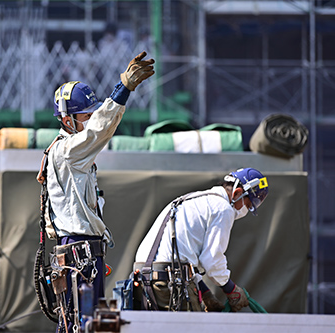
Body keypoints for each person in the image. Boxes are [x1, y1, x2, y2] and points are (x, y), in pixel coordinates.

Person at [37, 51, 154, 332]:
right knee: (80, 324)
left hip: (84, 252)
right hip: (80, 252)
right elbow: (100, 130)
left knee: (79, 323)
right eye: (85, 115)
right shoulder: (68, 150)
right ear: (68, 121)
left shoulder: (73, 154)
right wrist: (123, 89)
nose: (90, 120)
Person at [134, 168, 269, 312]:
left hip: (142, 277)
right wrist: (231, 290)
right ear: (237, 193)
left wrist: (204, 292)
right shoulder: (223, 208)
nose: (245, 211)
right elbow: (212, 260)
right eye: (247, 205)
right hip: (169, 281)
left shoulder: (194, 199)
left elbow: (184, 253)